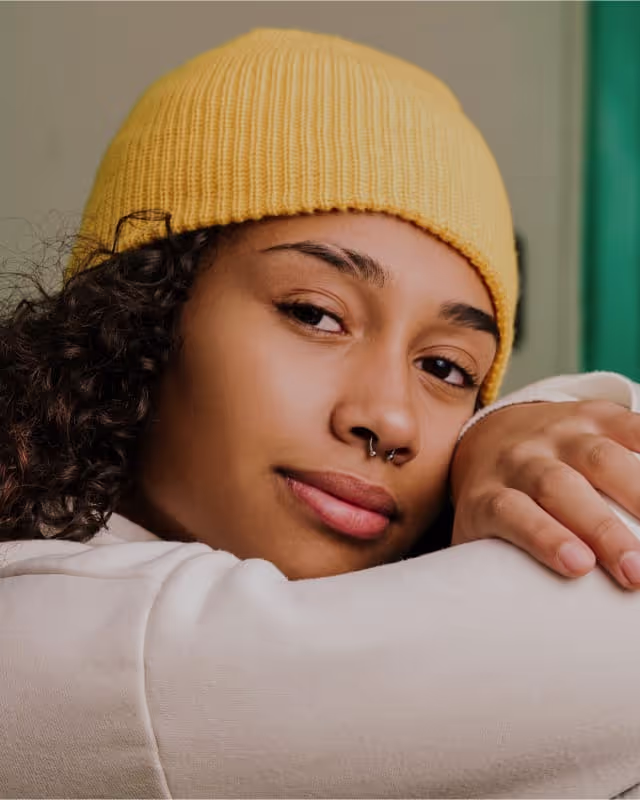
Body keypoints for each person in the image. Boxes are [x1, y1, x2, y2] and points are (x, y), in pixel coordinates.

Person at [1, 28, 639, 798]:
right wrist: (526, 424)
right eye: (315, 314)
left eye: (445, 369)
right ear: (139, 317)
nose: (391, 421)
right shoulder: (83, 646)